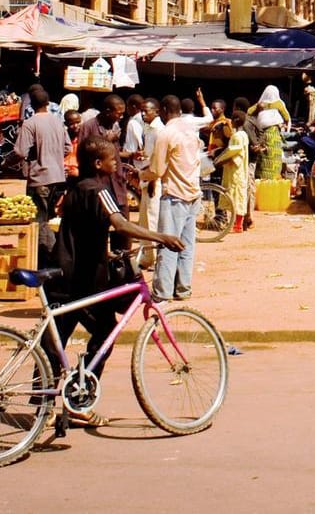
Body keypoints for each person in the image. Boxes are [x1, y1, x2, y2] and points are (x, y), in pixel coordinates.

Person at [48, 137, 185, 427]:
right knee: (105, 332)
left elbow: (84, 231)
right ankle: (80, 400)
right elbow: (121, 223)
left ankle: (45, 405)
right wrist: (163, 238)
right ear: (99, 164)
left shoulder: (75, 190)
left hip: (63, 274)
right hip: (84, 281)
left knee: (54, 343)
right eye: (113, 160)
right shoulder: (99, 191)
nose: (117, 164)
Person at [147, 97, 206, 301]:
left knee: (168, 245)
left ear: (163, 110)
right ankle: (183, 289)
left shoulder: (166, 134)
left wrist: (139, 175)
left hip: (174, 196)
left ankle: (162, 292)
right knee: (187, 246)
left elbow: (157, 170)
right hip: (193, 193)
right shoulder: (190, 129)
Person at [14, 85, 72, 256]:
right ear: (48, 103)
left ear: (31, 105)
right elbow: (67, 148)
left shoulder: (30, 123)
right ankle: (56, 253)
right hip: (59, 177)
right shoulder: (58, 122)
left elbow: (20, 151)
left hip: (40, 177)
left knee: (39, 220)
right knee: (51, 219)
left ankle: (48, 256)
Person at [252, 85, 290, 180]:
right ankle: (273, 181)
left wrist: (258, 109)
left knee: (263, 159)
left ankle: (262, 181)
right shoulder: (279, 104)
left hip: (262, 135)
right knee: (274, 159)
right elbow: (287, 118)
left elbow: (249, 112)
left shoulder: (259, 104)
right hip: (274, 135)